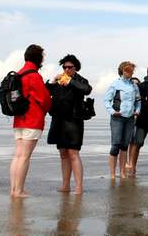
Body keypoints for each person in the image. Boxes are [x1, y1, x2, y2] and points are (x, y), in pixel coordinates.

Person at [9, 44, 52, 198]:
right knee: (25, 156)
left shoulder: (19, 73)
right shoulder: (34, 75)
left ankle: (14, 189)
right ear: (38, 58)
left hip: (19, 119)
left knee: (17, 155)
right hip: (32, 119)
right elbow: (45, 99)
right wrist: (45, 110)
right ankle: (19, 191)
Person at [46, 54, 92, 194]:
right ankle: (65, 185)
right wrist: (52, 81)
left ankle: (79, 186)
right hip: (59, 120)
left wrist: (71, 81)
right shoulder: (59, 80)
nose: (66, 69)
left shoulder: (80, 80)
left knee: (73, 153)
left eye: (69, 67)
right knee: (63, 154)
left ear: (75, 68)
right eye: (64, 67)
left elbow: (87, 89)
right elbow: (45, 91)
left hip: (74, 120)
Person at [104, 61, 141, 179]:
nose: (130, 72)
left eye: (131, 70)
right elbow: (106, 100)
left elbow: (138, 101)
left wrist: (137, 111)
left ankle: (122, 173)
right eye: (127, 70)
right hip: (117, 118)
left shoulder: (134, 86)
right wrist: (112, 111)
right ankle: (112, 174)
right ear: (122, 71)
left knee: (125, 145)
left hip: (130, 118)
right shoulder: (115, 84)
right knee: (115, 145)